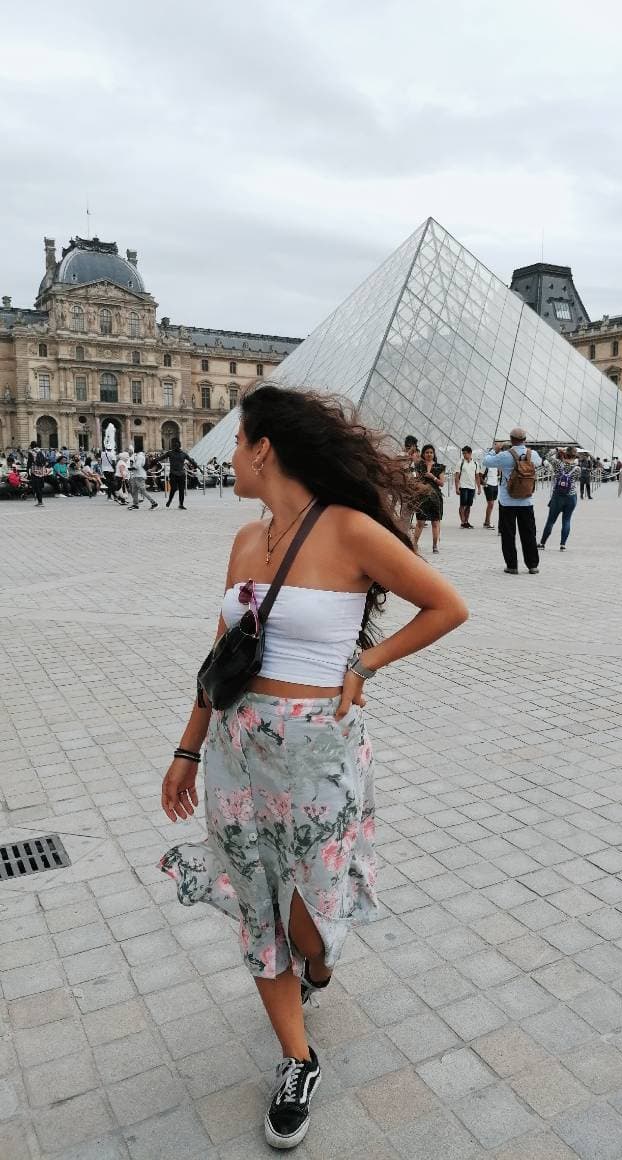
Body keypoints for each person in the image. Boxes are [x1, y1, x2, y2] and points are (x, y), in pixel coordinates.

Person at [159, 385, 467, 1150]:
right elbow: (221, 655)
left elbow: (446, 606)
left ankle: (317, 965)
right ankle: (297, 1059)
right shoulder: (242, 540)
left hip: (319, 757)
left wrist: (366, 662)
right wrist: (187, 746)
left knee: (311, 918)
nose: (228, 455)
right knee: (257, 907)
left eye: (235, 441)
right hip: (237, 751)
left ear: (264, 449)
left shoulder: (351, 530)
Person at [483, 428, 541, 574]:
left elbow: (486, 462)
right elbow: (539, 463)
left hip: (507, 501)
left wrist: (494, 450)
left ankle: (512, 566)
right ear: (525, 439)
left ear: (511, 439)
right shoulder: (532, 454)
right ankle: (532, 565)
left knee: (508, 534)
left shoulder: (505, 455)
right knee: (528, 533)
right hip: (527, 501)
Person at [539, 447, 581, 551]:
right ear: (575, 456)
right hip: (571, 496)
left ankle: (542, 543)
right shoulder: (577, 468)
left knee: (551, 521)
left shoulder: (558, 463)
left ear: (565, 454)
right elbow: (575, 480)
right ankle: (562, 545)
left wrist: (557, 449)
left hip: (557, 496)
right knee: (566, 520)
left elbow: (547, 457)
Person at [412, 444, 445, 553]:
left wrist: (433, 477)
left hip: (435, 498)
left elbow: (442, 483)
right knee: (420, 522)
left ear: (434, 454)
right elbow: (415, 481)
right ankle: (414, 543)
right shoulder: (418, 466)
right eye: (427, 452)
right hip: (422, 497)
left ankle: (435, 546)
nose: (429, 454)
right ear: (423, 454)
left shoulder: (439, 467)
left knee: (435, 523)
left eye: (431, 452)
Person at [161, 437, 198, 509]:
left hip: (181, 474)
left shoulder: (183, 454)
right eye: (175, 445)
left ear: (179, 446)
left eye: (177, 445)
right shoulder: (170, 453)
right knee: (174, 488)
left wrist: (195, 464)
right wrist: (154, 461)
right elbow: (161, 458)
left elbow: (191, 460)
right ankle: (170, 500)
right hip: (173, 473)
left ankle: (181, 504)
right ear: (173, 446)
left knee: (181, 489)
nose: (176, 446)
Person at [454, 446, 481, 528]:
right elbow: (457, 476)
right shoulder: (460, 463)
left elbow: (477, 476)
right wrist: (457, 488)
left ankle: (466, 521)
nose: (464, 455)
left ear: (470, 453)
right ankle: (462, 522)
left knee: (469, 505)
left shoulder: (476, 463)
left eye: (465, 453)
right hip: (463, 486)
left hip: (472, 487)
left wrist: (479, 488)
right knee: (462, 504)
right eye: (463, 453)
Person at [129, 446, 159, 510]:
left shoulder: (140, 456)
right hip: (136, 475)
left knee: (143, 491)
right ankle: (135, 504)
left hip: (139, 475)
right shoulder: (137, 455)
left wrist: (130, 468)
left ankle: (154, 503)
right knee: (134, 490)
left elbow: (137, 466)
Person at [26, 441, 48, 507]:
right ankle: (40, 501)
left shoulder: (31, 452)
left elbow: (29, 462)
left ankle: (40, 502)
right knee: (40, 487)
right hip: (41, 471)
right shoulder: (41, 451)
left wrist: (27, 470)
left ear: (31, 445)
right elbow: (45, 461)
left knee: (36, 486)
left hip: (34, 471)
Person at [480, 459, 499, 528]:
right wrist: (484, 483)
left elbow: (498, 474)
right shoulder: (485, 465)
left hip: (495, 485)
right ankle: (487, 522)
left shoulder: (497, 464)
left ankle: (486, 522)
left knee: (492, 504)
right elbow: (480, 475)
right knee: (490, 504)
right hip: (488, 485)